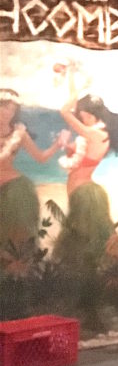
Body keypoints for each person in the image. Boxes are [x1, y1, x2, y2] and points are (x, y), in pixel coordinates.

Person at [51, 92, 118, 273]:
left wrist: (67, 105)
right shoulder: (96, 135)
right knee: (87, 236)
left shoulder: (95, 133)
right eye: (82, 117)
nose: (84, 120)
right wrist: (68, 146)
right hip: (82, 190)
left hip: (84, 193)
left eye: (86, 117)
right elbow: (84, 155)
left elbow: (66, 114)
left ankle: (91, 274)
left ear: (96, 116)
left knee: (87, 237)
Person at [0, 88, 62, 272]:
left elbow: (40, 157)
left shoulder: (19, 133)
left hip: (17, 191)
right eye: (4, 108)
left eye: (12, 110)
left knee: (18, 239)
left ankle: (18, 280)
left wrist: (57, 145)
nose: (7, 113)